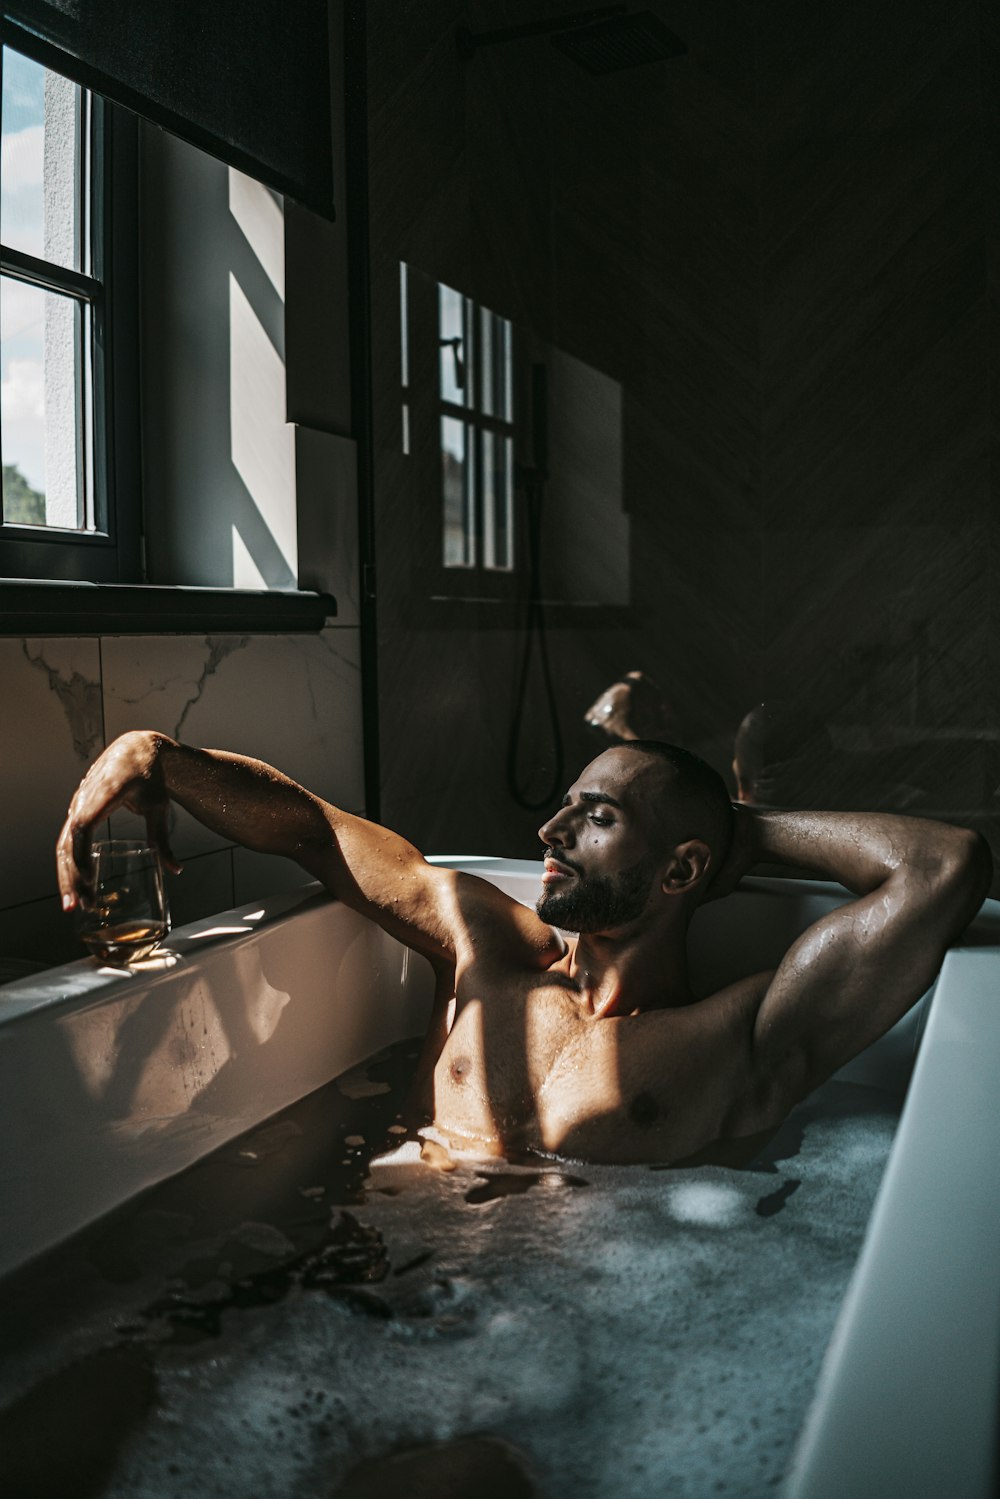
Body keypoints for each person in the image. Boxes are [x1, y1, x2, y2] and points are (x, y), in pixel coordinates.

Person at [56, 730, 989, 1165]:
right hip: (380, 1285)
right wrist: (158, 756)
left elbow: (945, 867)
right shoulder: (482, 944)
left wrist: (742, 831)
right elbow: (310, 829)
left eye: (597, 816)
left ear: (680, 871)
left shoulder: (740, 1036)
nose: (549, 831)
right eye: (565, 806)